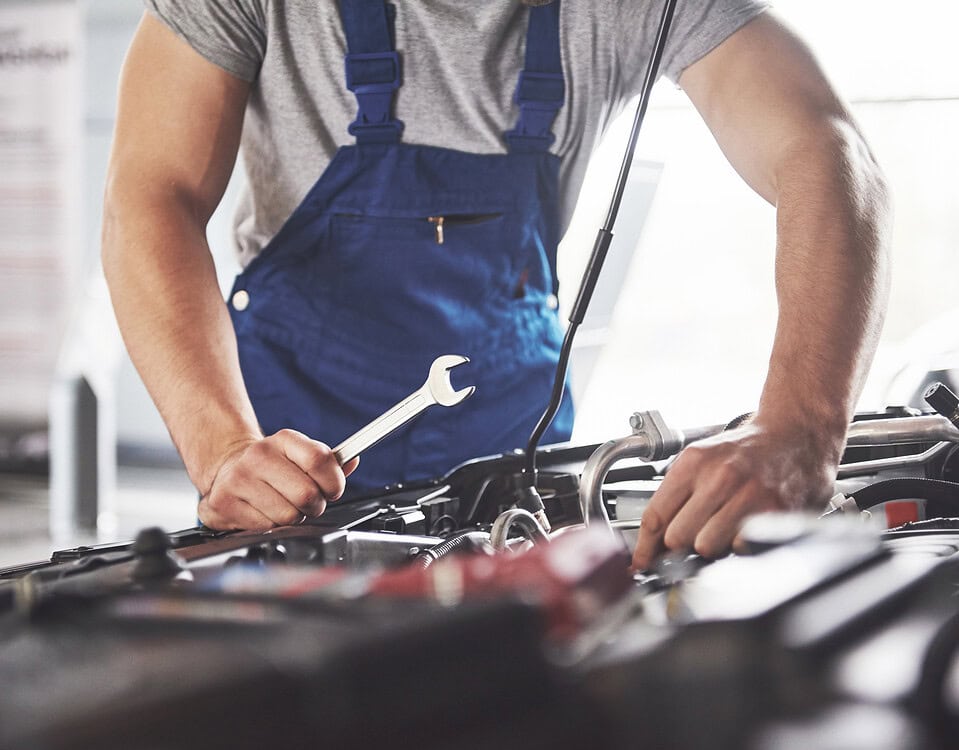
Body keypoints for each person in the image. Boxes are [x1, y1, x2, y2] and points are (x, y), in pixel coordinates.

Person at [101, 0, 890, 569]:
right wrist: (222, 449)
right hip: (283, 450)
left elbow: (824, 153)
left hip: (512, 449)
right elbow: (151, 196)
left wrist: (800, 427)